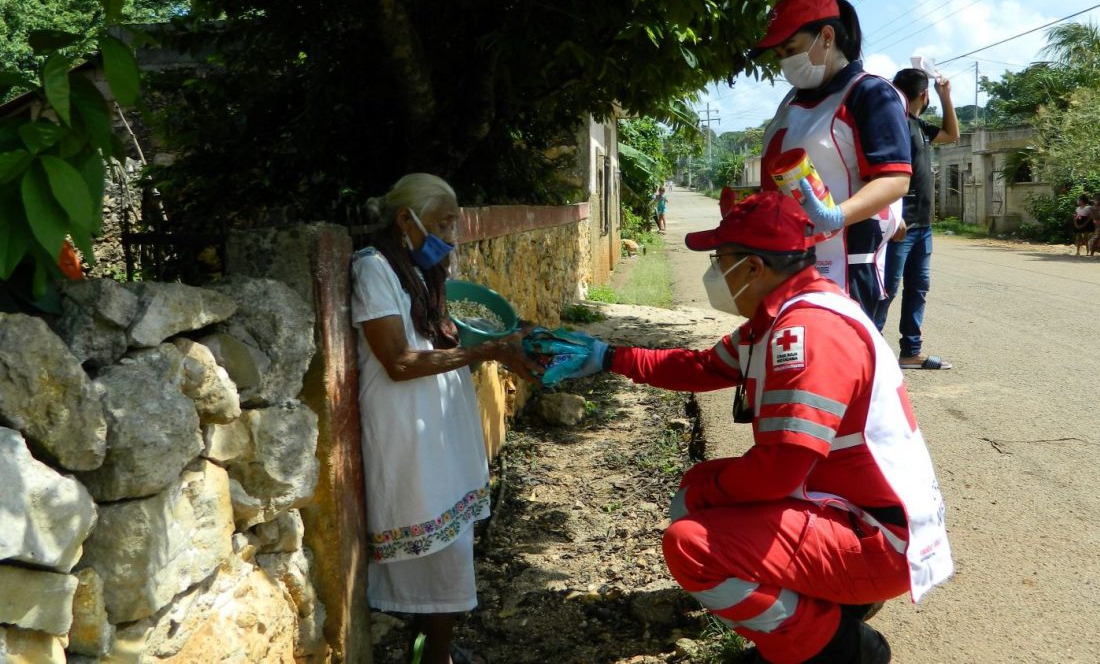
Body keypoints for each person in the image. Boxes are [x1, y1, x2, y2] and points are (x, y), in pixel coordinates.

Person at [567, 192, 953, 664]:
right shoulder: (782, 316)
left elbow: (780, 471)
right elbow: (702, 367)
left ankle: (835, 647)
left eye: (719, 260)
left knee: (692, 544)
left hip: (881, 539)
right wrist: (608, 357)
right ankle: (831, 608)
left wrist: (711, 492)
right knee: (695, 491)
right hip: (858, 514)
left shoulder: (807, 332)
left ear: (752, 268)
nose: (715, 272)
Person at [351, 173, 540, 664]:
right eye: (442, 223)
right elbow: (399, 361)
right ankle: (435, 656)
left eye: (453, 222)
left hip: (436, 426)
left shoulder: (420, 270)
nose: (450, 234)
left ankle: (435, 648)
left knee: (451, 543)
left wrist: (505, 343)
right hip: (406, 429)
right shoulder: (374, 269)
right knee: (436, 549)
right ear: (404, 220)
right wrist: (493, 349)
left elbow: (439, 340)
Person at [755, 0, 912, 318]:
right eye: (779, 54)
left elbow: (894, 180)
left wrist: (835, 215)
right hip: (790, 262)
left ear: (827, 36)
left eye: (791, 49)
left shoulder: (869, 94)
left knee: (837, 360)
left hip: (843, 267)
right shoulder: (792, 101)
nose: (784, 61)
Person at [871, 69, 958, 370]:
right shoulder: (895, 125)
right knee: (888, 288)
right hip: (900, 227)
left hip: (923, 226)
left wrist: (946, 96)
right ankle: (867, 351)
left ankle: (910, 352)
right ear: (924, 94)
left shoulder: (918, 125)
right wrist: (894, 216)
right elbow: (884, 172)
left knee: (918, 287)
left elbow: (951, 134)